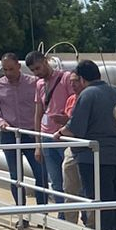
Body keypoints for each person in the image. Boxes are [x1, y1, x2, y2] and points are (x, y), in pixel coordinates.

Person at [63, 59, 116, 230]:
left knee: (99, 197)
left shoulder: (88, 94)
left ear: (82, 79)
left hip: (94, 156)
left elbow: (76, 127)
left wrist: (61, 132)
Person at [0, 52, 41, 207]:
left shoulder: (34, 83)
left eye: (11, 69)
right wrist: (1, 121)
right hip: (9, 135)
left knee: (41, 173)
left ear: (19, 66)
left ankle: (43, 211)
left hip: (31, 134)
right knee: (16, 176)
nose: (8, 73)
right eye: (5, 70)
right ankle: (21, 211)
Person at [28, 50, 78, 201]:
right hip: (47, 136)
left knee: (72, 181)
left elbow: (75, 102)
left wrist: (66, 119)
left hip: (63, 136)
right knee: (56, 182)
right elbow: (38, 114)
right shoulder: (39, 84)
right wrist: (38, 144)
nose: (36, 73)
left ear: (45, 61)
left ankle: (80, 215)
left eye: (38, 68)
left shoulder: (65, 78)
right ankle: (62, 216)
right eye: (32, 70)